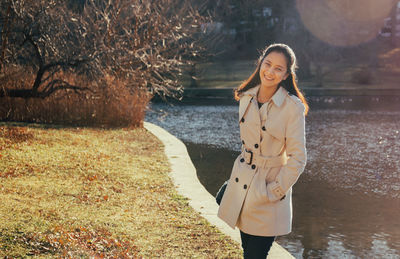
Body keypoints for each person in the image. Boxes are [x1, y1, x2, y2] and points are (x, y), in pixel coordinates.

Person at [217, 43, 308, 258]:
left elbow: (298, 158)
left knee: (254, 256)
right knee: (247, 252)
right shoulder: (246, 97)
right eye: (267, 64)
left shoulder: (292, 107)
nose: (270, 71)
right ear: (260, 64)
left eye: (278, 68)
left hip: (268, 195)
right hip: (242, 187)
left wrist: (274, 191)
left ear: (286, 74)